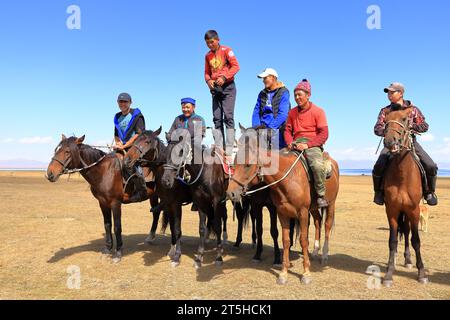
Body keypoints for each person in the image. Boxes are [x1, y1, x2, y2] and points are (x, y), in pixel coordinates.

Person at [372, 82, 438, 206]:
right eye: (388, 93)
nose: (389, 95)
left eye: (392, 92)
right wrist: (389, 130)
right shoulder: (385, 111)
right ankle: (379, 192)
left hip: (410, 142)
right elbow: (377, 128)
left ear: (401, 93)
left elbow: (424, 126)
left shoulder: (413, 110)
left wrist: (410, 126)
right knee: (378, 166)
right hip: (390, 143)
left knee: (431, 166)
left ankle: (429, 192)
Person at [284, 79, 329, 208]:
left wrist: (308, 145)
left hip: (312, 144)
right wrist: (289, 142)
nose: (297, 98)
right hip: (295, 143)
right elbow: (287, 130)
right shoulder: (292, 112)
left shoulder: (318, 111)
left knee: (316, 165)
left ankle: (320, 195)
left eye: (300, 95)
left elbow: (324, 134)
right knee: (280, 161)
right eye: (295, 95)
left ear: (308, 95)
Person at [204, 30, 240, 157]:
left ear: (217, 39)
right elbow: (206, 73)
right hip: (215, 89)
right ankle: (220, 148)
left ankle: (230, 148)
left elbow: (236, 66)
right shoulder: (207, 56)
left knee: (228, 117)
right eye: (207, 43)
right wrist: (209, 81)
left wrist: (224, 77)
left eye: (212, 42)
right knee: (217, 118)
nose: (210, 45)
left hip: (228, 87)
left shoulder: (226, 50)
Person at [168, 97, 206, 212]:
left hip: (194, 149)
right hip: (178, 149)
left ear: (193, 107)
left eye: (188, 107)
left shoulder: (199, 119)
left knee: (197, 167)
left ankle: (197, 198)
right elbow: (170, 134)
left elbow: (199, 137)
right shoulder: (177, 119)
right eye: (183, 107)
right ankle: (166, 197)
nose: (185, 109)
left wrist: (185, 142)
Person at [113, 92, 148, 203]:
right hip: (122, 146)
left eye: (125, 101)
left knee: (130, 163)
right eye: (120, 101)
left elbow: (139, 133)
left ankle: (141, 189)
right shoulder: (117, 116)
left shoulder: (137, 115)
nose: (122, 104)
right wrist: (118, 143)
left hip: (136, 146)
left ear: (130, 102)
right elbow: (116, 134)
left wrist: (126, 145)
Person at [252, 68, 290, 149]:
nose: (263, 80)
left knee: (276, 158)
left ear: (273, 77)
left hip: (278, 129)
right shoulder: (262, 93)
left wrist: (270, 129)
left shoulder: (284, 92)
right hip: (262, 129)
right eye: (263, 78)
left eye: (265, 78)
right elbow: (256, 112)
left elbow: (283, 114)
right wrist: (256, 128)